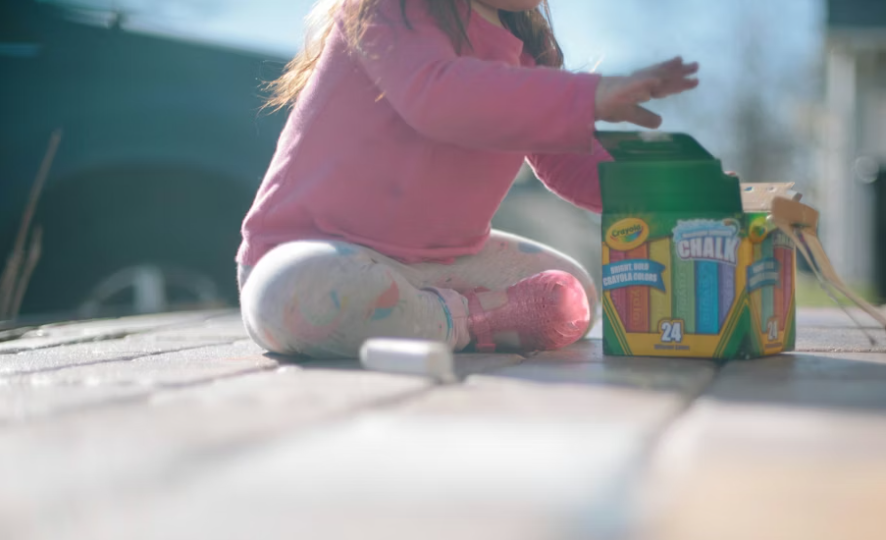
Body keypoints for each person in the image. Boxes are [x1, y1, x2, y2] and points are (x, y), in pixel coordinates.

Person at [237, 0, 699, 358]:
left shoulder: (527, 53)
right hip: (312, 253)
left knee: (576, 291)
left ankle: (440, 318)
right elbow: (441, 95)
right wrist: (588, 97)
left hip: (440, 264)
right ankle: (467, 323)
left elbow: (568, 161)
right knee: (304, 292)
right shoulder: (387, 9)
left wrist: (679, 192)